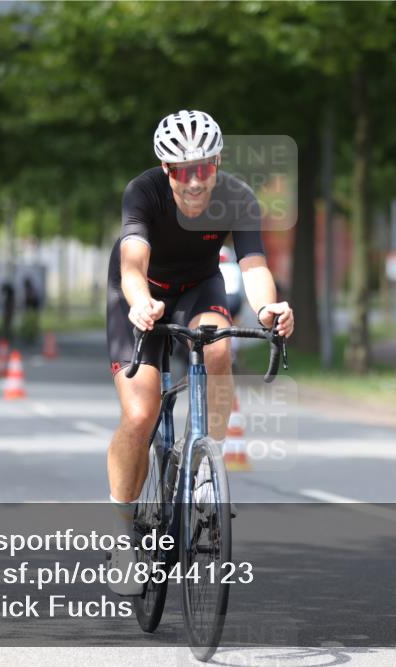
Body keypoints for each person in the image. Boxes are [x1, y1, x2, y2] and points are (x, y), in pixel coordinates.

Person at [104, 110, 294, 594]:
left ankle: (206, 468)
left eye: (203, 168)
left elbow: (252, 264)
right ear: (166, 170)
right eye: (182, 171)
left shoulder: (236, 196)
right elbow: (132, 262)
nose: (194, 181)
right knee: (142, 412)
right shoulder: (142, 192)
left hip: (198, 288)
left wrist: (269, 308)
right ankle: (123, 533)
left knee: (219, 347)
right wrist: (139, 300)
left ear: (217, 163)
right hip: (141, 294)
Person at [21, 273, 44, 346]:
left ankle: (32, 335)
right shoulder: (29, 289)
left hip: (33, 309)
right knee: (29, 323)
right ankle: (29, 335)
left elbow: (31, 299)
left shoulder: (31, 289)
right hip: (31, 309)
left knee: (32, 322)